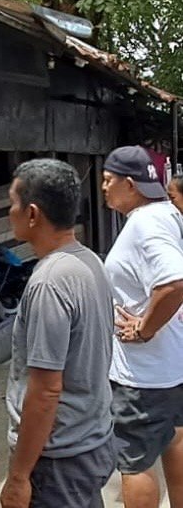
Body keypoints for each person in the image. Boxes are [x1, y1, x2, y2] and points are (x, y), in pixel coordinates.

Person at [0, 159, 115, 508]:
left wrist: (19, 477)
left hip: (59, 459)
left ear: (32, 213)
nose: (9, 212)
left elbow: (46, 390)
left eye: (12, 203)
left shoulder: (50, 282)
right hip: (92, 442)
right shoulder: (90, 261)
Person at [102, 145, 183, 508]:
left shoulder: (145, 223)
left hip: (145, 372)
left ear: (130, 184)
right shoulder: (168, 212)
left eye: (108, 180)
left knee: (134, 462)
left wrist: (145, 329)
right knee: (176, 439)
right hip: (173, 361)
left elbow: (174, 282)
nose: (103, 188)